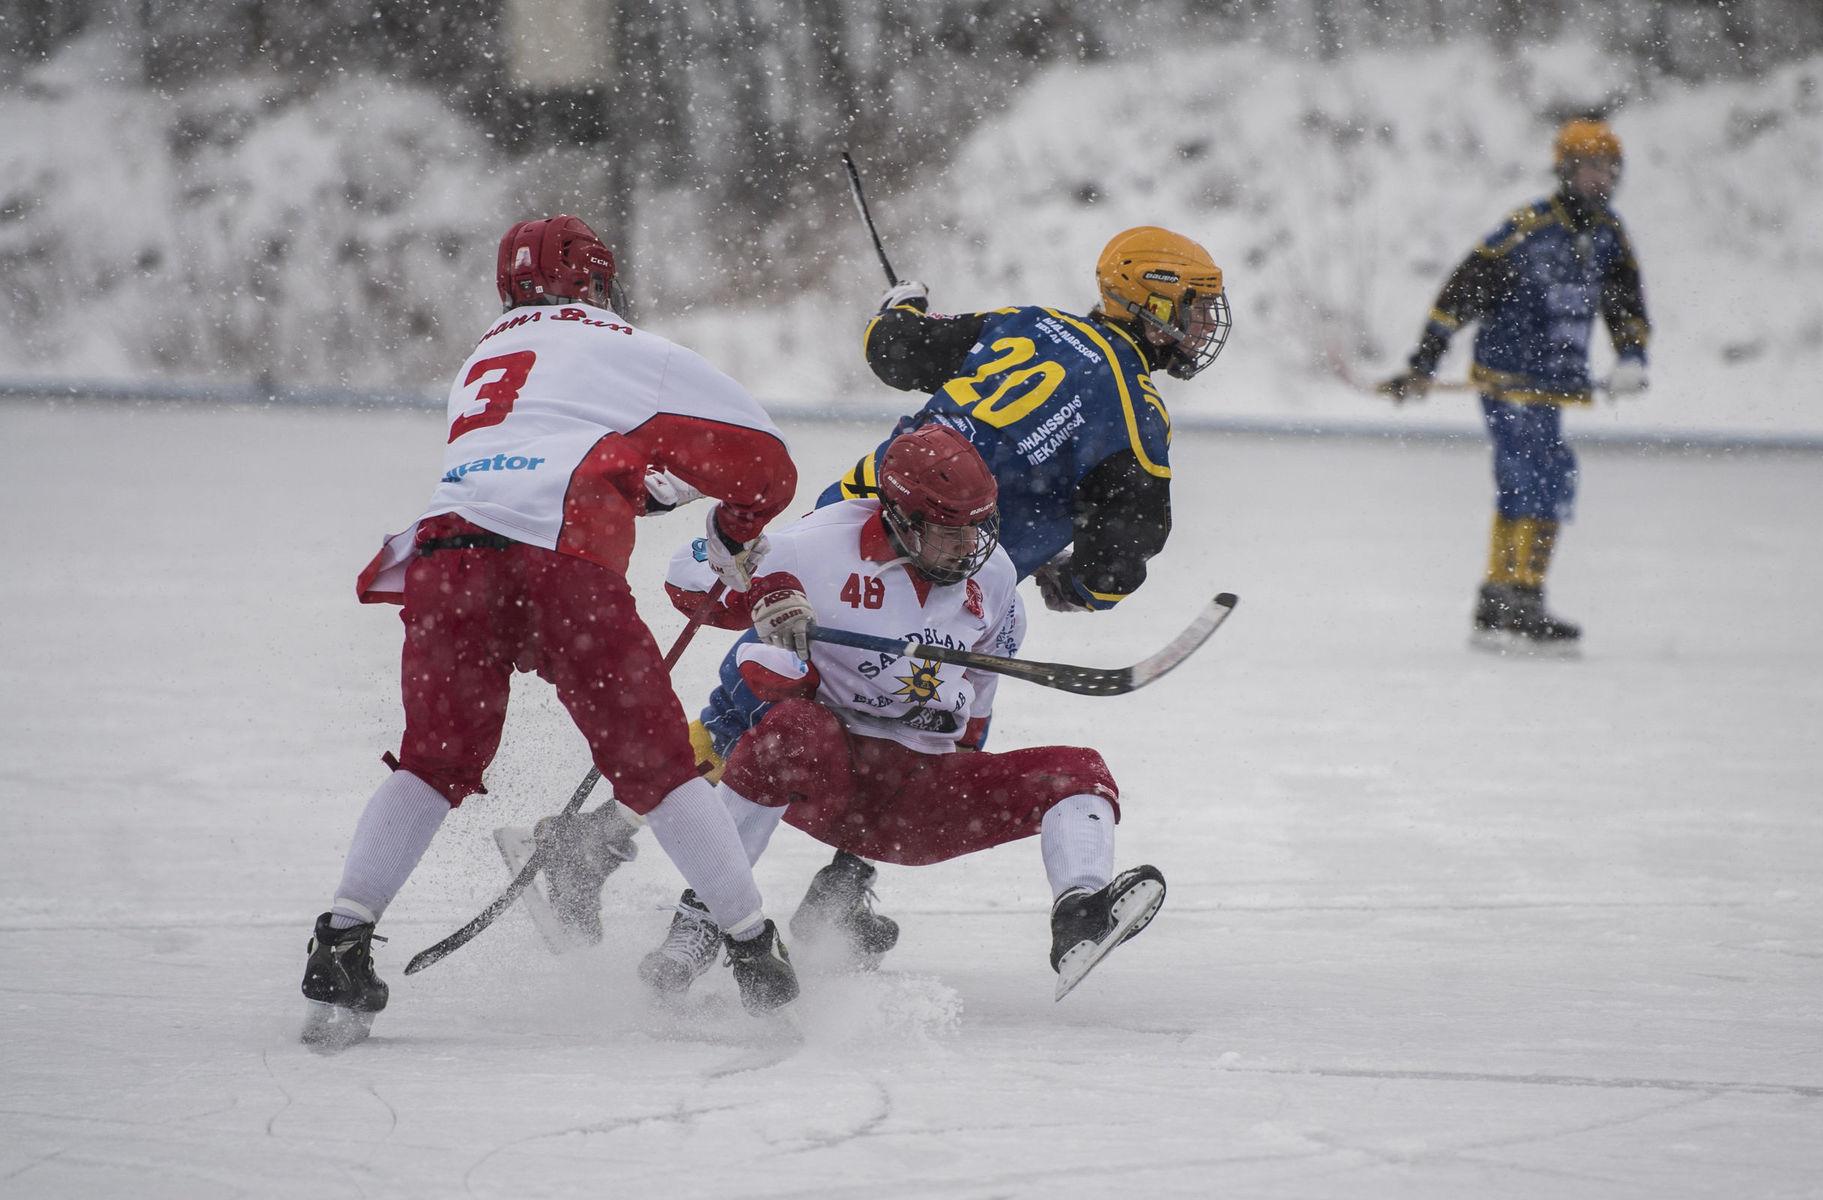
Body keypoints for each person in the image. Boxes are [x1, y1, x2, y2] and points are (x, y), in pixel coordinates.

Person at [523, 226, 1228, 965]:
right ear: (1148, 300)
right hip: (949, 575)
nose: (1205, 327)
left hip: (855, 521)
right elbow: (1129, 548)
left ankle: (804, 884)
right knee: (890, 719)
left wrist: (902, 308)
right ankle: (613, 854)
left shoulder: (1029, 323)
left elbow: (895, 352)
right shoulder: (1136, 412)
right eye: (1195, 309)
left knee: (828, 713)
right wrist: (1081, 584)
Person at [298, 214, 802, 1049]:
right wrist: (736, 524)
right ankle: (755, 952)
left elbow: (544, 445)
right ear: (600, 282)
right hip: (561, 567)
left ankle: (343, 939)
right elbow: (765, 462)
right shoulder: (623, 345)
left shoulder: (484, 357)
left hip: (447, 557)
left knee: (433, 762)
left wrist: (643, 487)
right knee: (659, 770)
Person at [636, 424, 1167, 1000]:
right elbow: (686, 576)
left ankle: (1081, 914)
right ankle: (704, 919)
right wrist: (769, 589)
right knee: (794, 728)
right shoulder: (818, 542)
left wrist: (959, 774)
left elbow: (979, 697)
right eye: (949, 533)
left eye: (978, 529)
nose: (970, 548)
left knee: (1081, 772)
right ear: (901, 519)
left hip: (918, 795)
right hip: (830, 779)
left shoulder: (993, 578)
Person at [1378, 118, 1652, 648]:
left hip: (1556, 382)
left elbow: (1626, 304)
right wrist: (1425, 361)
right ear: (1567, 169)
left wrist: (1632, 357)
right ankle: (1516, 597)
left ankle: (1505, 596)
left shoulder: (1608, 236)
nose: (1601, 179)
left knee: (1548, 476)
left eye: (1609, 168)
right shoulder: (1526, 229)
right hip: (1506, 377)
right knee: (1531, 475)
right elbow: (1460, 293)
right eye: (1592, 167)